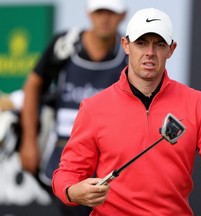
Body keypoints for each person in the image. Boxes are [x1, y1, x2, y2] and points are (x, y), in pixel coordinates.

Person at [52, 8, 201, 216]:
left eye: (159, 44)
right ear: (126, 45)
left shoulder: (197, 103)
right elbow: (68, 173)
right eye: (141, 43)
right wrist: (73, 192)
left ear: (171, 49)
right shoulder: (94, 107)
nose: (150, 53)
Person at [19, 0, 127, 215]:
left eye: (111, 13)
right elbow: (33, 84)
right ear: (89, 13)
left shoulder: (129, 53)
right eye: (99, 12)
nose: (105, 19)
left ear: (122, 16)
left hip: (109, 159)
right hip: (64, 155)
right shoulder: (65, 45)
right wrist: (28, 140)